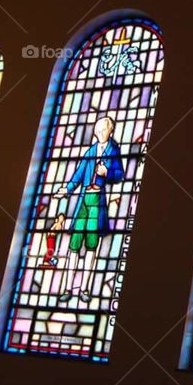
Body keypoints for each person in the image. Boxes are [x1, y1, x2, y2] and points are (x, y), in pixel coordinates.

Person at [54, 116, 124, 304]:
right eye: (97, 131)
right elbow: (79, 174)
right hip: (83, 200)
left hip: (98, 201)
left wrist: (106, 173)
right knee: (74, 244)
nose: (100, 133)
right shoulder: (91, 151)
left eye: (103, 130)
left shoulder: (114, 150)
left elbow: (120, 174)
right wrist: (67, 189)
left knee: (92, 245)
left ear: (110, 131)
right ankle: (68, 288)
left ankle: (84, 289)